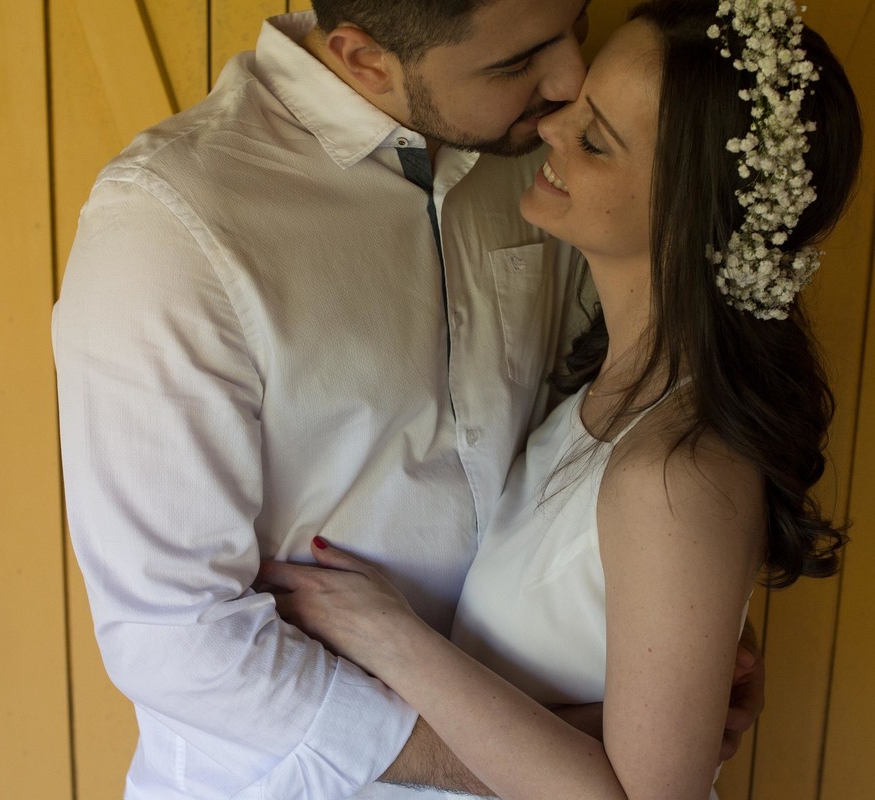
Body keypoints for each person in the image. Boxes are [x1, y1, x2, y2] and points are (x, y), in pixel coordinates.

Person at [52, 1, 763, 796]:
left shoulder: (543, 159)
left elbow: (630, 448)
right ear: (365, 60)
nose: (569, 81)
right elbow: (174, 638)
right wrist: (558, 766)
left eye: (579, 23)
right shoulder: (171, 225)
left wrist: (682, 648)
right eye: (516, 60)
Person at [259, 1, 861, 799]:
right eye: (580, 102)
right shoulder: (600, 382)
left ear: (688, 213)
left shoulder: (674, 472)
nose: (550, 125)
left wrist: (392, 637)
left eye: (596, 139)